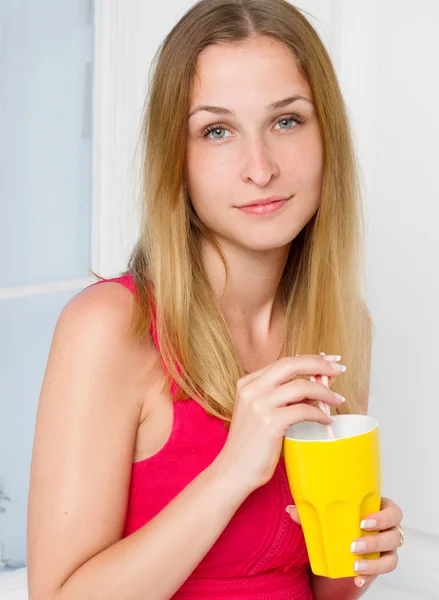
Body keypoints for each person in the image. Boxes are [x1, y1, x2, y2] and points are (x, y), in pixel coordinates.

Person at [27, 1, 404, 599]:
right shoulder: (110, 328)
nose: (260, 169)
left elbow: (318, 589)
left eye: (287, 121)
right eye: (217, 131)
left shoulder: (339, 322)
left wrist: (358, 553)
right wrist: (234, 471)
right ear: (177, 160)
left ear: (326, 132)